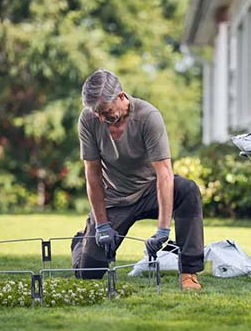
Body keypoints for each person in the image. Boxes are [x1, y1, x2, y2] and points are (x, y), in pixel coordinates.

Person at [71, 68, 204, 290]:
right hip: (115, 198)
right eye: (97, 113)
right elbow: (93, 174)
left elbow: (164, 174)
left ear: (121, 97)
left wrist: (163, 230)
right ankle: (81, 240)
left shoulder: (148, 117)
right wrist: (102, 225)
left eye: (106, 111)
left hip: (150, 191)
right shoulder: (88, 120)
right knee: (88, 274)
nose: (101, 118)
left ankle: (189, 273)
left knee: (188, 190)